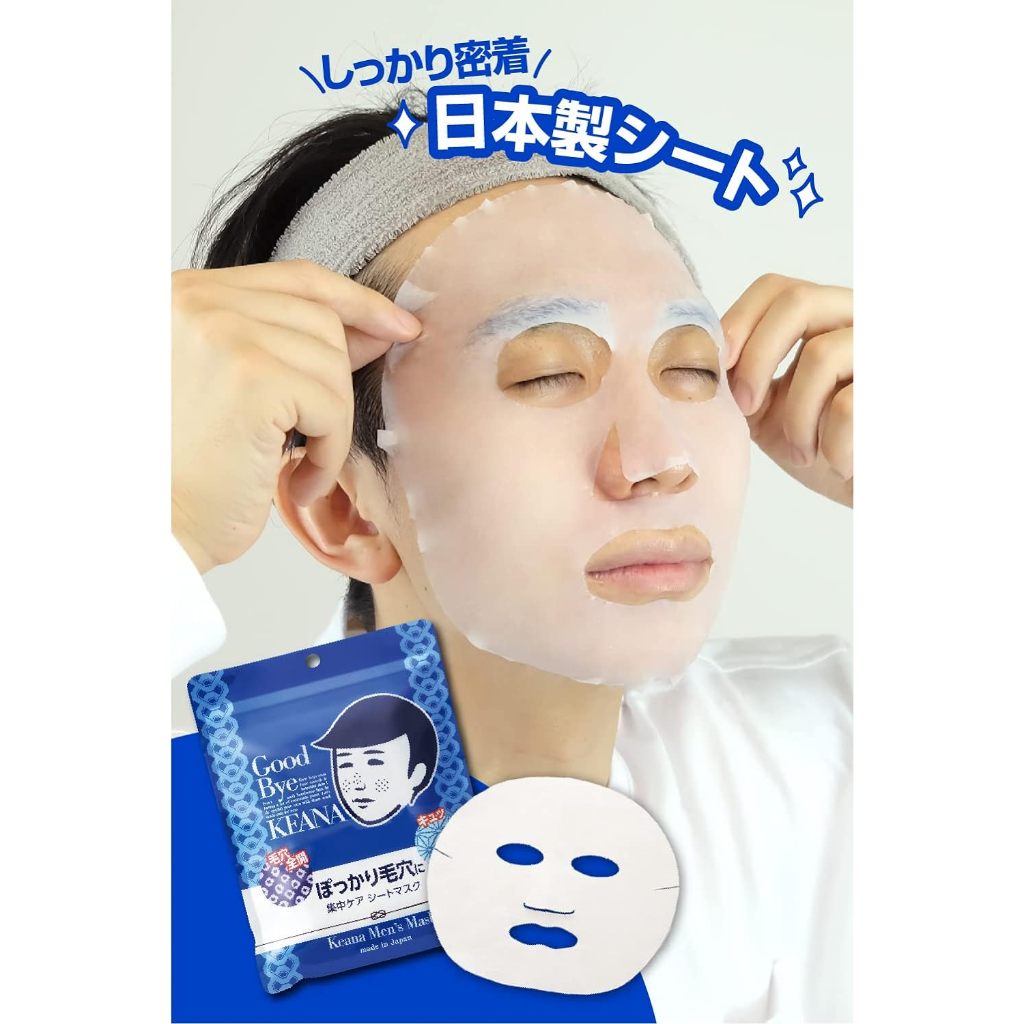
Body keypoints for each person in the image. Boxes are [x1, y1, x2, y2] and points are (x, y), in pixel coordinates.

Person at [172, 99, 852, 1021]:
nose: (660, 458)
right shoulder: (177, 858)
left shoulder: (846, 742)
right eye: (546, 374)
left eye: (692, 369)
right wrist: (159, 526)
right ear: (343, 505)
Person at [312, 693, 439, 827]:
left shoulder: (438, 825)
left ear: (417, 775)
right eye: (345, 764)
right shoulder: (333, 829)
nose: (358, 784)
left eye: (374, 762)